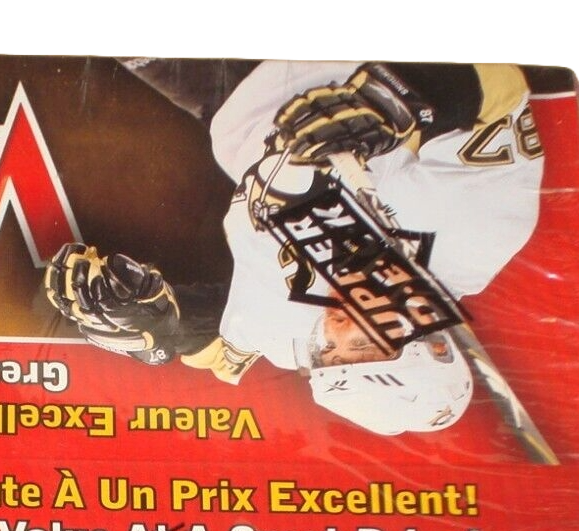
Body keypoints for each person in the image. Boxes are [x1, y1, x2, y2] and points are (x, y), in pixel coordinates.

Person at [46, 61, 546, 439]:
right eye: (364, 348)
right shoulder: (478, 235)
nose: (336, 333)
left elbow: (215, 345)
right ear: (431, 338)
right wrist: (399, 99)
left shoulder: (289, 335)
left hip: (220, 89)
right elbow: (503, 85)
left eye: (328, 357)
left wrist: (152, 324)